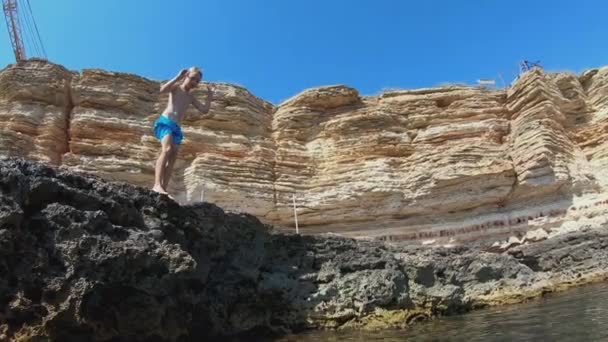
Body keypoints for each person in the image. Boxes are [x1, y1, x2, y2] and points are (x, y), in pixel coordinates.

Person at [152, 66, 214, 197]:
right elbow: (162, 90)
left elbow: (204, 110)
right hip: (166, 121)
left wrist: (210, 96)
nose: (194, 83)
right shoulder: (176, 87)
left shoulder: (190, 97)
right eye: (193, 78)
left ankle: (163, 188)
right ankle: (156, 184)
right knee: (166, 150)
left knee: (173, 157)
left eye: (197, 81)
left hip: (176, 127)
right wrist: (177, 77)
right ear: (186, 76)